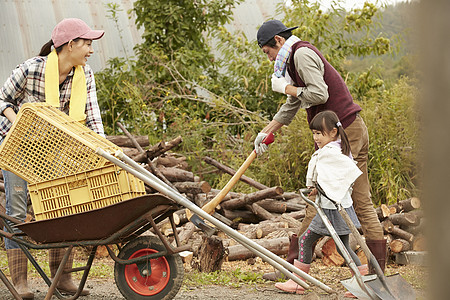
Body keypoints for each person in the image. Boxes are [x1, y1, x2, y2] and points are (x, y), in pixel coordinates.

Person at [254, 20, 386, 279]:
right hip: (349, 130)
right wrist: (266, 132)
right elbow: (293, 105)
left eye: (267, 52)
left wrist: (288, 88)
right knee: (355, 201)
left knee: (324, 198)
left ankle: (296, 271)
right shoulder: (292, 60)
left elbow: (319, 94)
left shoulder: (301, 54)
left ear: (278, 42)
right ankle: (374, 273)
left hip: (345, 133)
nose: (269, 59)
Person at [0, 18, 105, 299]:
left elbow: (92, 118)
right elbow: (2, 102)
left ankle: (61, 278)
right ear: (70, 45)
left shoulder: (84, 75)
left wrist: (103, 149)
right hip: (18, 148)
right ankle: (20, 283)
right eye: (87, 44)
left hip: (55, 150)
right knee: (18, 210)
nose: (91, 50)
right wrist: (20, 119)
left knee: (63, 207)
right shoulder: (31, 69)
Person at [275, 111, 365, 298]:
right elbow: (332, 178)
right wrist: (318, 187)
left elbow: (335, 177)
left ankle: (298, 281)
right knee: (343, 247)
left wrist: (320, 186)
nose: (316, 138)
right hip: (335, 206)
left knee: (306, 240)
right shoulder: (337, 150)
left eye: (319, 133)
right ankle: (362, 282)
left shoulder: (331, 153)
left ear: (333, 133)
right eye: (314, 133)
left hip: (332, 209)